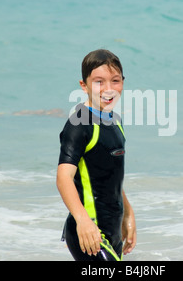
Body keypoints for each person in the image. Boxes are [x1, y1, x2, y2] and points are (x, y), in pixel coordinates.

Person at [57, 49, 137, 261]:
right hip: (89, 232)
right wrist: (83, 221)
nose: (109, 89)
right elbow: (63, 178)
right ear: (84, 86)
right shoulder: (79, 124)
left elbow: (110, 175)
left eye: (115, 80)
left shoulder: (115, 121)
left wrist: (128, 213)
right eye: (99, 82)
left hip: (113, 230)